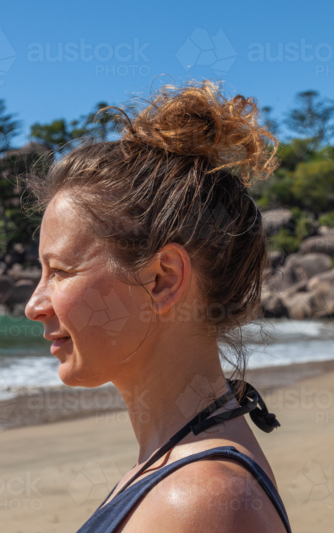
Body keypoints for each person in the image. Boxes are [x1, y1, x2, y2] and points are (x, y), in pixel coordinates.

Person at [24, 79, 292, 532]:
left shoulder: (197, 501)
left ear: (162, 279)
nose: (34, 305)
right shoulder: (175, 471)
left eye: (60, 271)